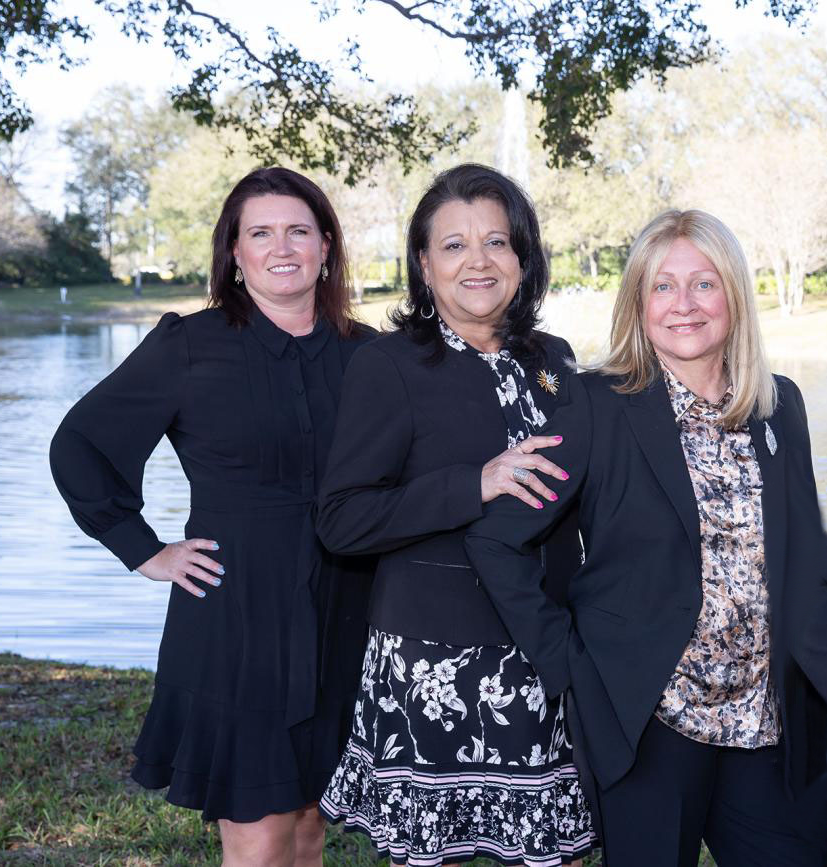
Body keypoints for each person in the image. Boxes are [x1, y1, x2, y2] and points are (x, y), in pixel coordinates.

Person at [465, 209, 827, 866]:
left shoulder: (779, 406)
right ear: (638, 301)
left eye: (703, 283)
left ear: (733, 295)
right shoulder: (597, 404)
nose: (683, 304)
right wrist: (567, 663)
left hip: (763, 721)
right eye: (662, 286)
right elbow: (497, 541)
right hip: (649, 722)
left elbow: (807, 562)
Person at [50, 167, 376, 866]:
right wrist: (143, 549)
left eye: (298, 231)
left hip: (347, 609)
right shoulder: (189, 346)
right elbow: (80, 444)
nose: (281, 247)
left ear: (325, 245)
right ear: (234, 251)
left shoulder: (370, 354)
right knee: (258, 834)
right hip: (237, 618)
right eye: (260, 233)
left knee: (310, 826)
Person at [315, 163, 596, 866]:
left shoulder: (553, 359)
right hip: (434, 663)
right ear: (423, 264)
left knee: (553, 850)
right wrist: (475, 483)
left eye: (496, 242)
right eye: (453, 245)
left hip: (546, 648)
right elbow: (342, 519)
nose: (478, 261)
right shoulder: (387, 365)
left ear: (522, 257)